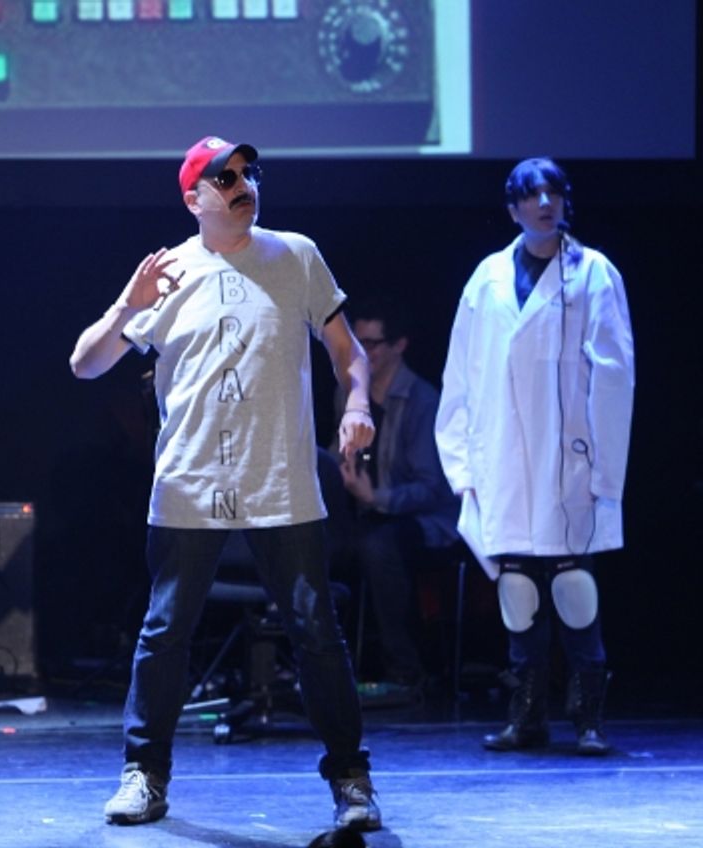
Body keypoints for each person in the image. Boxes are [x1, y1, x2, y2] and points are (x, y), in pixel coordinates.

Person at [70, 136, 381, 832]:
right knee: (164, 632)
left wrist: (357, 404)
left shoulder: (295, 255)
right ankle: (143, 775)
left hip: (282, 481)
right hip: (188, 482)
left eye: (248, 173)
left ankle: (352, 782)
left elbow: (346, 351)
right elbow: (84, 365)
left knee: (315, 630)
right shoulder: (167, 273)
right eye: (224, 177)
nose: (243, 184)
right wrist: (128, 305)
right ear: (194, 199)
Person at [435, 157, 634, 756]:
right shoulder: (487, 279)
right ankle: (526, 715)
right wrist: (462, 468)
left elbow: (617, 376)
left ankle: (589, 716)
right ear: (513, 207)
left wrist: (606, 471)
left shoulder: (594, 273)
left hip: (568, 456)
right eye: (531, 194)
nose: (544, 202)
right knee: (517, 591)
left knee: (573, 586)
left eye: (553, 192)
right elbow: (460, 376)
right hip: (502, 459)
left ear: (565, 201)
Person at [326, 297, 459, 698]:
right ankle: (327, 670)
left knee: (378, 547)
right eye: (359, 343)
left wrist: (377, 496)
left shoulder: (421, 401)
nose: (364, 352)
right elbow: (337, 453)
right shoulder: (348, 394)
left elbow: (433, 487)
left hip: (427, 521)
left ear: (398, 345)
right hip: (371, 515)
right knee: (321, 543)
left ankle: (406, 670)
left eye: (373, 343)